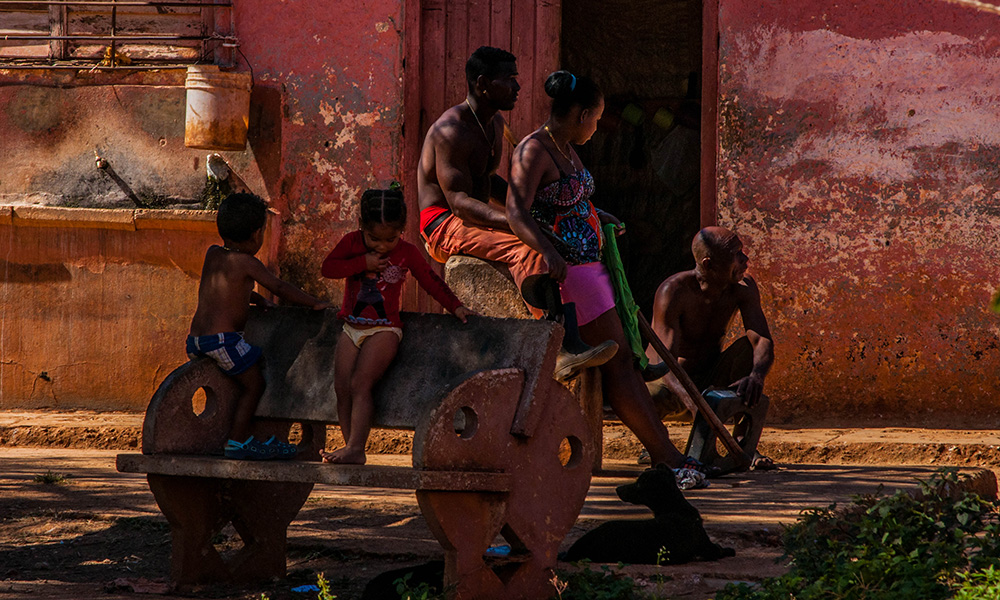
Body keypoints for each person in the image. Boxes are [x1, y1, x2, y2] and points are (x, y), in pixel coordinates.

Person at [505, 69, 701, 474]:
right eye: (596, 118)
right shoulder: (533, 150)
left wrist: (596, 215)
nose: (597, 127)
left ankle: (666, 453)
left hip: (591, 269)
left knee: (627, 361)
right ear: (581, 115)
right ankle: (667, 457)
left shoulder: (565, 147)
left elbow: (567, 200)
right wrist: (548, 251)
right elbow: (516, 211)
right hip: (569, 275)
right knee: (620, 368)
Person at [417, 45, 615, 380]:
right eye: (509, 80)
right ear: (483, 83)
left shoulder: (493, 123)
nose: (518, 87)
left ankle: (574, 338)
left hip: (470, 216)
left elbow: (489, 180)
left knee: (536, 232)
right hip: (443, 222)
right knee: (529, 247)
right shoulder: (451, 131)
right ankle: (558, 348)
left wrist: (528, 212)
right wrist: (517, 221)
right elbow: (459, 201)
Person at [321, 187, 476, 465]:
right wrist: (361, 263)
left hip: (385, 329)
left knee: (360, 383)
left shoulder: (407, 253)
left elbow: (430, 280)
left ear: (402, 230)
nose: (382, 246)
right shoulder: (351, 244)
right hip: (351, 327)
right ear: (361, 227)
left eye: (390, 239)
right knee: (342, 387)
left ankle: (357, 447)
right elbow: (328, 268)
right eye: (373, 239)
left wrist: (455, 305)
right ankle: (349, 446)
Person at [187, 192, 332, 460]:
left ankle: (236, 433)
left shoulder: (213, 254)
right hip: (223, 342)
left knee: (238, 380)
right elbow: (278, 286)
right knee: (255, 385)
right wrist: (313, 302)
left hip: (196, 340)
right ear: (256, 234)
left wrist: (254, 299)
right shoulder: (247, 263)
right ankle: (237, 442)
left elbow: (221, 292)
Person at [644, 226, 776, 469]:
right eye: (736, 255)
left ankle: (741, 442)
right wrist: (697, 408)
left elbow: (762, 339)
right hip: (668, 384)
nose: (745, 260)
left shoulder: (743, 288)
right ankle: (656, 443)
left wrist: (756, 375)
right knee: (646, 397)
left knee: (749, 349)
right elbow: (666, 365)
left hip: (708, 377)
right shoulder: (673, 291)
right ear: (708, 264)